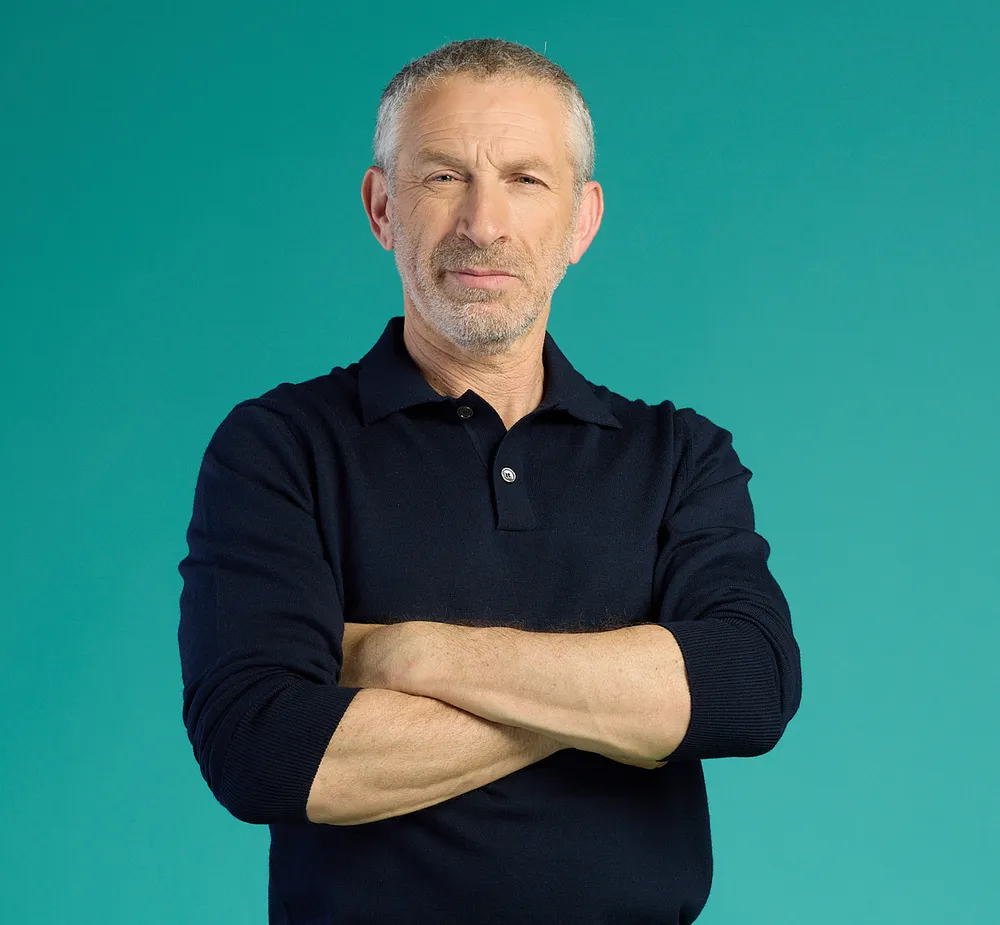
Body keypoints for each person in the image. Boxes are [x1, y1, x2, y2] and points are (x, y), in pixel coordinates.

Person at [177, 37, 802, 925]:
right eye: (443, 177)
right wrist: (624, 702)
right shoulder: (279, 448)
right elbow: (265, 752)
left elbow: (748, 686)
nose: (482, 222)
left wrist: (409, 655)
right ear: (381, 207)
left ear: (581, 221)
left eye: (525, 179)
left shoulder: (677, 455)